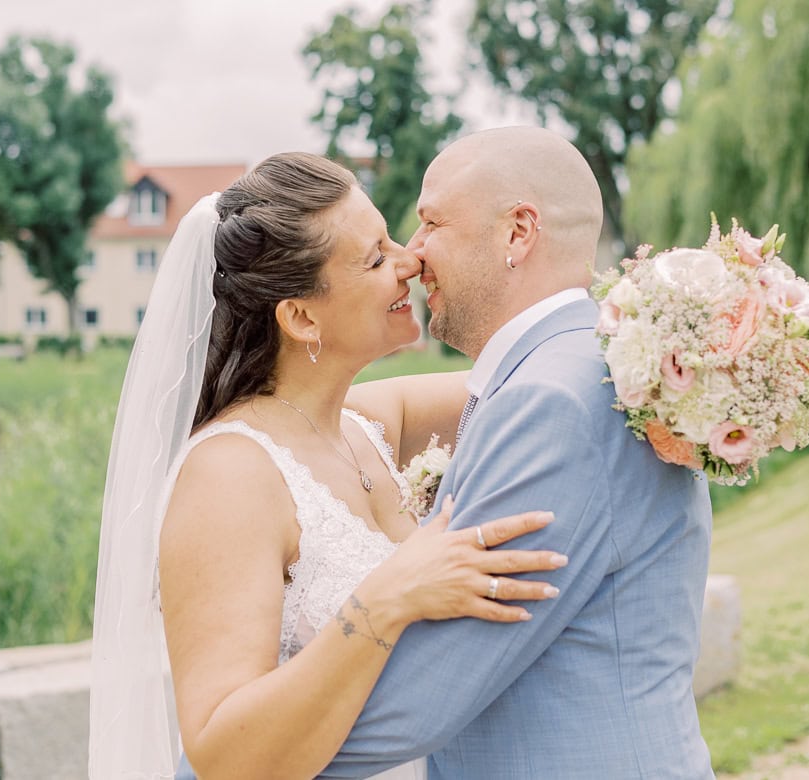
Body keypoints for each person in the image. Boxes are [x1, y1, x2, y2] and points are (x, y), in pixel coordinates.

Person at [88, 152, 567, 780]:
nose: (410, 261)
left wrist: (677, 318)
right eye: (375, 258)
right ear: (302, 317)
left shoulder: (367, 423)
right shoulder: (230, 474)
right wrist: (388, 597)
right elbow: (219, 752)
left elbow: (538, 377)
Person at [320, 126, 715, 778]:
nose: (413, 255)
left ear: (517, 233)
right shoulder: (594, 365)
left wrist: (243, 759)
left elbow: (430, 691)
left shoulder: (551, 402)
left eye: (430, 222)